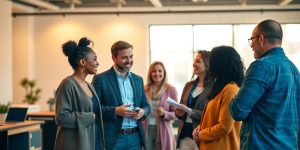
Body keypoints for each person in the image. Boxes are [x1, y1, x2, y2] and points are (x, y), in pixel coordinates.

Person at [229, 19, 300, 149]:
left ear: (261, 38)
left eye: (252, 39)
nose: (251, 45)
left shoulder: (261, 66)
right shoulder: (294, 70)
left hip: (262, 145)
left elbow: (238, 111)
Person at [92, 40, 150, 150]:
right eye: (124, 58)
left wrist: (143, 112)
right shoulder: (100, 79)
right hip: (113, 139)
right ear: (114, 58)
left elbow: (146, 105)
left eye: (131, 56)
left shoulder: (138, 80)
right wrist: (115, 111)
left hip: (135, 137)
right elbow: (93, 108)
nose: (129, 61)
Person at [54, 37, 105, 150]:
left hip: (92, 140)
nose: (98, 63)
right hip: (75, 144)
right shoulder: (67, 84)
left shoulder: (89, 85)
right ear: (82, 62)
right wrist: (89, 116)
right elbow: (61, 117)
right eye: (95, 59)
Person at [192, 46, 244, 150]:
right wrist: (200, 128)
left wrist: (202, 134)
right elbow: (212, 120)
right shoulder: (220, 88)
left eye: (212, 61)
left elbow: (224, 127)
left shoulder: (230, 89)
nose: (210, 66)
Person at [175, 50, 213, 150]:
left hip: (201, 136)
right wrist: (179, 112)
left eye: (198, 61)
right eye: (194, 61)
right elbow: (180, 107)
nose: (194, 64)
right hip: (184, 135)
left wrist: (191, 111)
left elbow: (211, 114)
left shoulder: (213, 88)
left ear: (207, 65)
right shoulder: (189, 85)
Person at [144, 61, 178, 150]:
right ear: (150, 73)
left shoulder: (171, 90)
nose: (157, 73)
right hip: (146, 130)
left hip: (164, 130)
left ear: (164, 73)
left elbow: (177, 114)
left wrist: (164, 114)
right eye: (154, 71)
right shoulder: (144, 89)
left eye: (160, 71)